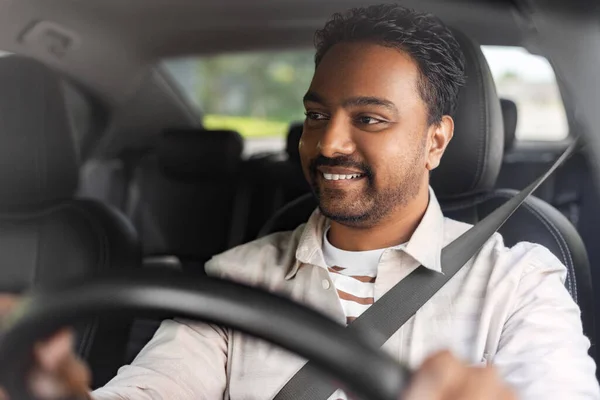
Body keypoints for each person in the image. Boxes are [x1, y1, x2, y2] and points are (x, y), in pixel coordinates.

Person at [1, 3, 598, 400]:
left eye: (369, 117)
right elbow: (155, 389)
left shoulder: (520, 281)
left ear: (435, 139)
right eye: (317, 115)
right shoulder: (237, 277)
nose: (328, 142)